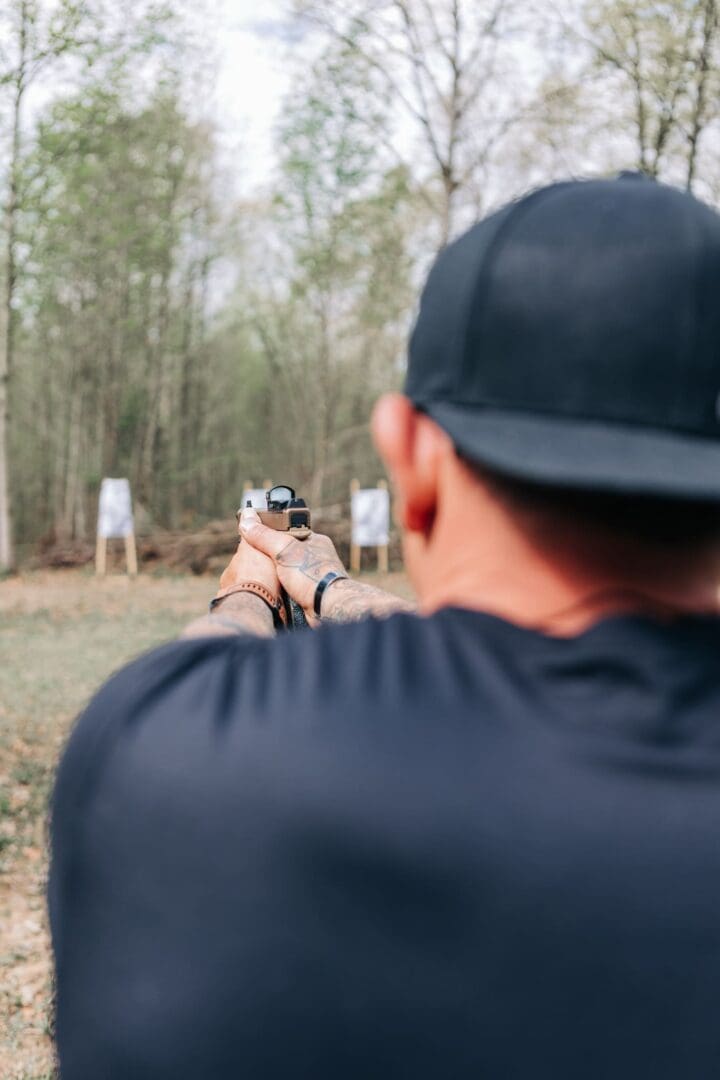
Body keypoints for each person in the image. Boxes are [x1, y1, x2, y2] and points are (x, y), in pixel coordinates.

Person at [50, 174, 720, 1079]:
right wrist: (320, 580)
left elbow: (199, 673)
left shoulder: (165, 749)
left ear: (412, 460)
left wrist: (252, 589)